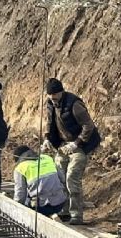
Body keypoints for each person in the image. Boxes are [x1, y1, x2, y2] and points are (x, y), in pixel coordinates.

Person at [43, 78, 100, 225]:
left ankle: (76, 215)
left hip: (79, 145)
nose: (53, 99)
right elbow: (50, 122)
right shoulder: (50, 103)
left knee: (71, 178)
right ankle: (64, 211)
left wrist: (76, 144)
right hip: (62, 145)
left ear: (61, 92)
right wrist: (48, 138)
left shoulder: (74, 104)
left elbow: (88, 126)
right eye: (50, 96)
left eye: (55, 96)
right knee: (60, 177)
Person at [12, 145, 67, 218]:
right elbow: (63, 178)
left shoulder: (20, 168)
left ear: (18, 159)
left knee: (25, 200)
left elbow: (20, 195)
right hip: (60, 203)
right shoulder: (47, 158)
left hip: (41, 207)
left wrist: (14, 210)